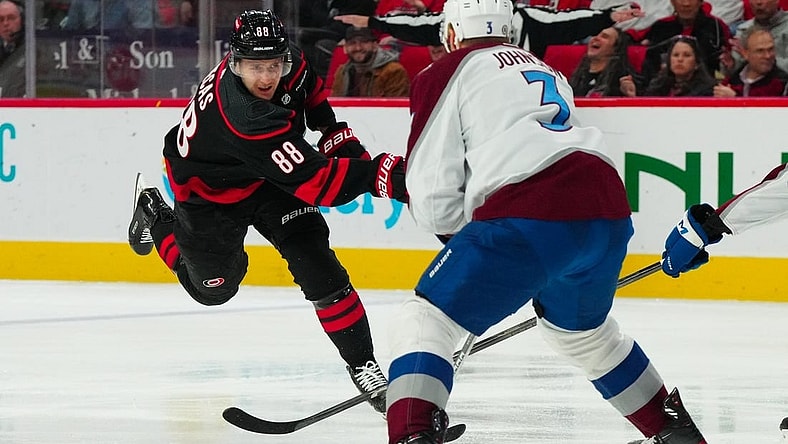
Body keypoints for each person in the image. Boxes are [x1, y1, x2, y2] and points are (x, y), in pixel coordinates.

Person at [387, 0, 707, 443]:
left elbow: (432, 187)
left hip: (530, 209)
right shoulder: (545, 68)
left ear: (453, 32)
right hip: (606, 210)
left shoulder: (445, 72)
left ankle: (412, 434)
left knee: (428, 319)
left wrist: (461, 239)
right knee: (583, 334)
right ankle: (673, 432)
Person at [126, 9, 407, 416]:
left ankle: (363, 364)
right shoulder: (245, 116)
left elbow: (312, 97)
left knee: (315, 260)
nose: (266, 77)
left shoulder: (288, 62)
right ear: (235, 63)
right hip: (209, 191)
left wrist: (335, 136)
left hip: (268, 180)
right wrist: (385, 175)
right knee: (212, 288)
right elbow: (318, 185)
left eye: (273, 65)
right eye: (255, 67)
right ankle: (155, 212)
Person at [333, 1, 645, 59]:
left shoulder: (529, 18)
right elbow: (419, 25)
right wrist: (373, 23)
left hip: (520, 104)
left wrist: (609, 16)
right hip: (471, 99)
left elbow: (570, 21)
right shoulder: (453, 18)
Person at [628, 0, 731, 86]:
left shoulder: (716, 26)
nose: (686, 4)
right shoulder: (661, 26)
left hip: (705, 89)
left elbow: (727, 63)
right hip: (663, 88)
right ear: (672, 2)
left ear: (700, 2)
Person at [623, 35, 718, 96]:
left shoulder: (707, 90)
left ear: (697, 64)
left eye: (687, 55)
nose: (680, 59)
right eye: (675, 55)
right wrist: (632, 96)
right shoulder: (657, 85)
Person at [331, 26, 411, 97]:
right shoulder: (342, 72)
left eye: (364, 42)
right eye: (352, 43)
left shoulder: (393, 71)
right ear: (345, 48)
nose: (358, 48)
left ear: (375, 46)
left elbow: (395, 109)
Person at [569, 26, 644, 96]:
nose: (595, 38)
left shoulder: (622, 80)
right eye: (595, 35)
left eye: (605, 37)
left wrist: (630, 96)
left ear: (615, 49)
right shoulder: (577, 77)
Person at [714, 27, 788, 96]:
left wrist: (735, 101)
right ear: (745, 53)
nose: (767, 56)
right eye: (760, 51)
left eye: (770, 49)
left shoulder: (782, 83)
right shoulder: (733, 79)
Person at [722, 0, 788, 76]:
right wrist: (731, 65)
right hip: (750, 84)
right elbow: (731, 73)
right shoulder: (744, 29)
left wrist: (755, 59)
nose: (758, 2)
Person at [0, 0, 24, 98]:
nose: (5, 23)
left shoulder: (32, 48)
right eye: (1, 19)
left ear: (21, 20)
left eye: (11, 18)